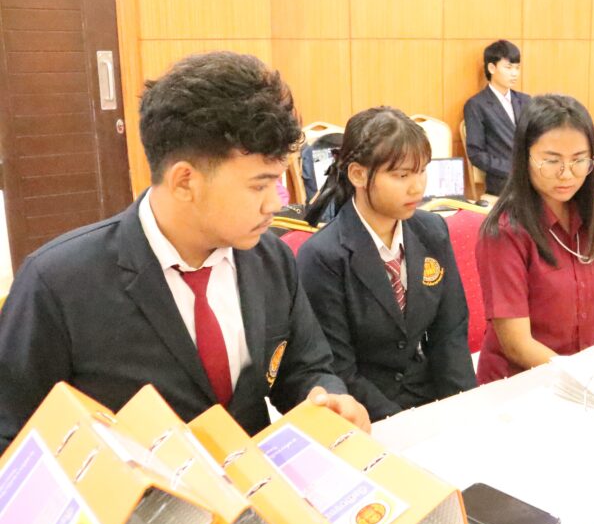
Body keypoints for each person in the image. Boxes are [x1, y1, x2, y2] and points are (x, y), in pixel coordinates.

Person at [0, 52, 370, 453]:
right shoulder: (59, 284)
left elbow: (304, 367)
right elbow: (13, 437)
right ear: (184, 182)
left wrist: (328, 398)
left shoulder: (271, 260)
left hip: (258, 482)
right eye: (259, 185)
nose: (275, 204)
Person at [297, 107, 476, 421]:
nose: (417, 187)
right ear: (358, 174)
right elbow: (339, 367)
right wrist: (401, 423)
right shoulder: (323, 256)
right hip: (365, 412)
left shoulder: (431, 231)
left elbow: (450, 333)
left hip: (428, 396)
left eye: (422, 171)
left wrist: (463, 408)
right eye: (401, 175)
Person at [475, 94, 594, 383]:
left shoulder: (591, 214)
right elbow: (517, 344)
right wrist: (582, 379)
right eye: (551, 161)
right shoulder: (505, 232)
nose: (566, 174)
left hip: (586, 376)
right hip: (524, 383)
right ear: (525, 158)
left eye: (579, 160)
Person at [463, 39, 529, 195]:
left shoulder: (526, 101)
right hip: (503, 182)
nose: (514, 73)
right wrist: (512, 169)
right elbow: (476, 154)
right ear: (491, 68)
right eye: (508, 67)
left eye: (517, 68)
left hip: (534, 177)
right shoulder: (476, 105)